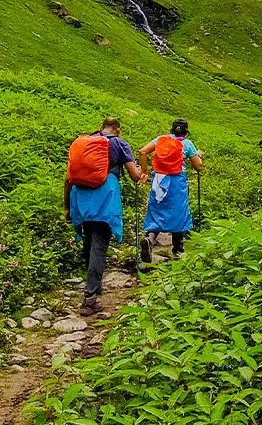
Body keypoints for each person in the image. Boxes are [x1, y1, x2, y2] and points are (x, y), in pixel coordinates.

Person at [64, 117, 145, 316]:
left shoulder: (85, 142)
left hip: (80, 195)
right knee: (99, 245)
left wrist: (67, 206)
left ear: (101, 127)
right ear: (117, 128)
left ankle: (95, 285)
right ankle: (90, 298)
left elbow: (68, 177)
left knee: (89, 241)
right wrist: (142, 173)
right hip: (105, 195)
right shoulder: (119, 143)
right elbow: (134, 175)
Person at [139, 118, 203, 262]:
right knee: (178, 213)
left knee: (156, 211)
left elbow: (142, 152)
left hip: (159, 181)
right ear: (186, 131)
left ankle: (150, 239)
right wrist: (198, 155)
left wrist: (144, 171)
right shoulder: (187, 144)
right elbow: (198, 167)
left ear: (172, 129)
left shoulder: (160, 139)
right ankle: (178, 251)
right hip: (177, 182)